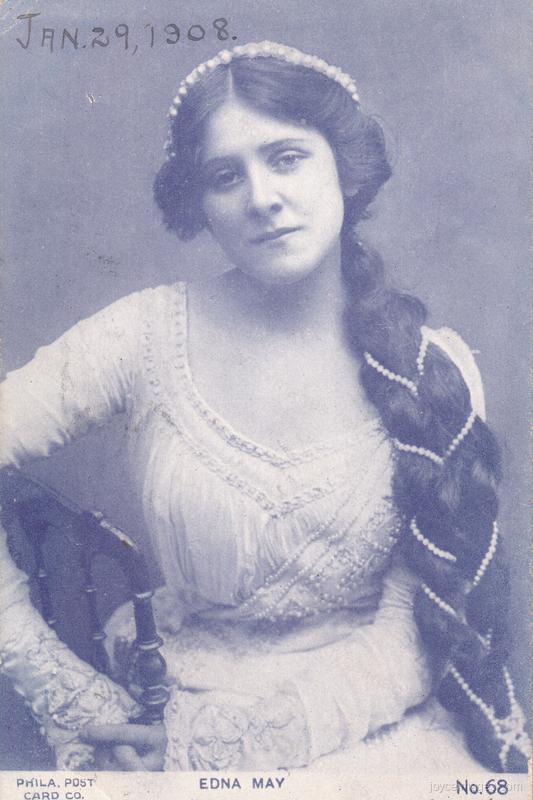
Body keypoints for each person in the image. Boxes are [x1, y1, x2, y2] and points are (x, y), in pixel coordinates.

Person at [0, 41, 530, 774]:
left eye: (286, 158)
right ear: (200, 204)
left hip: (370, 728)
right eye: (225, 176)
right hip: (166, 707)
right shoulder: (141, 337)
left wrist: (228, 749)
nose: (261, 198)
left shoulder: (429, 371)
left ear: (344, 166)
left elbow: (414, 632)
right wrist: (57, 685)